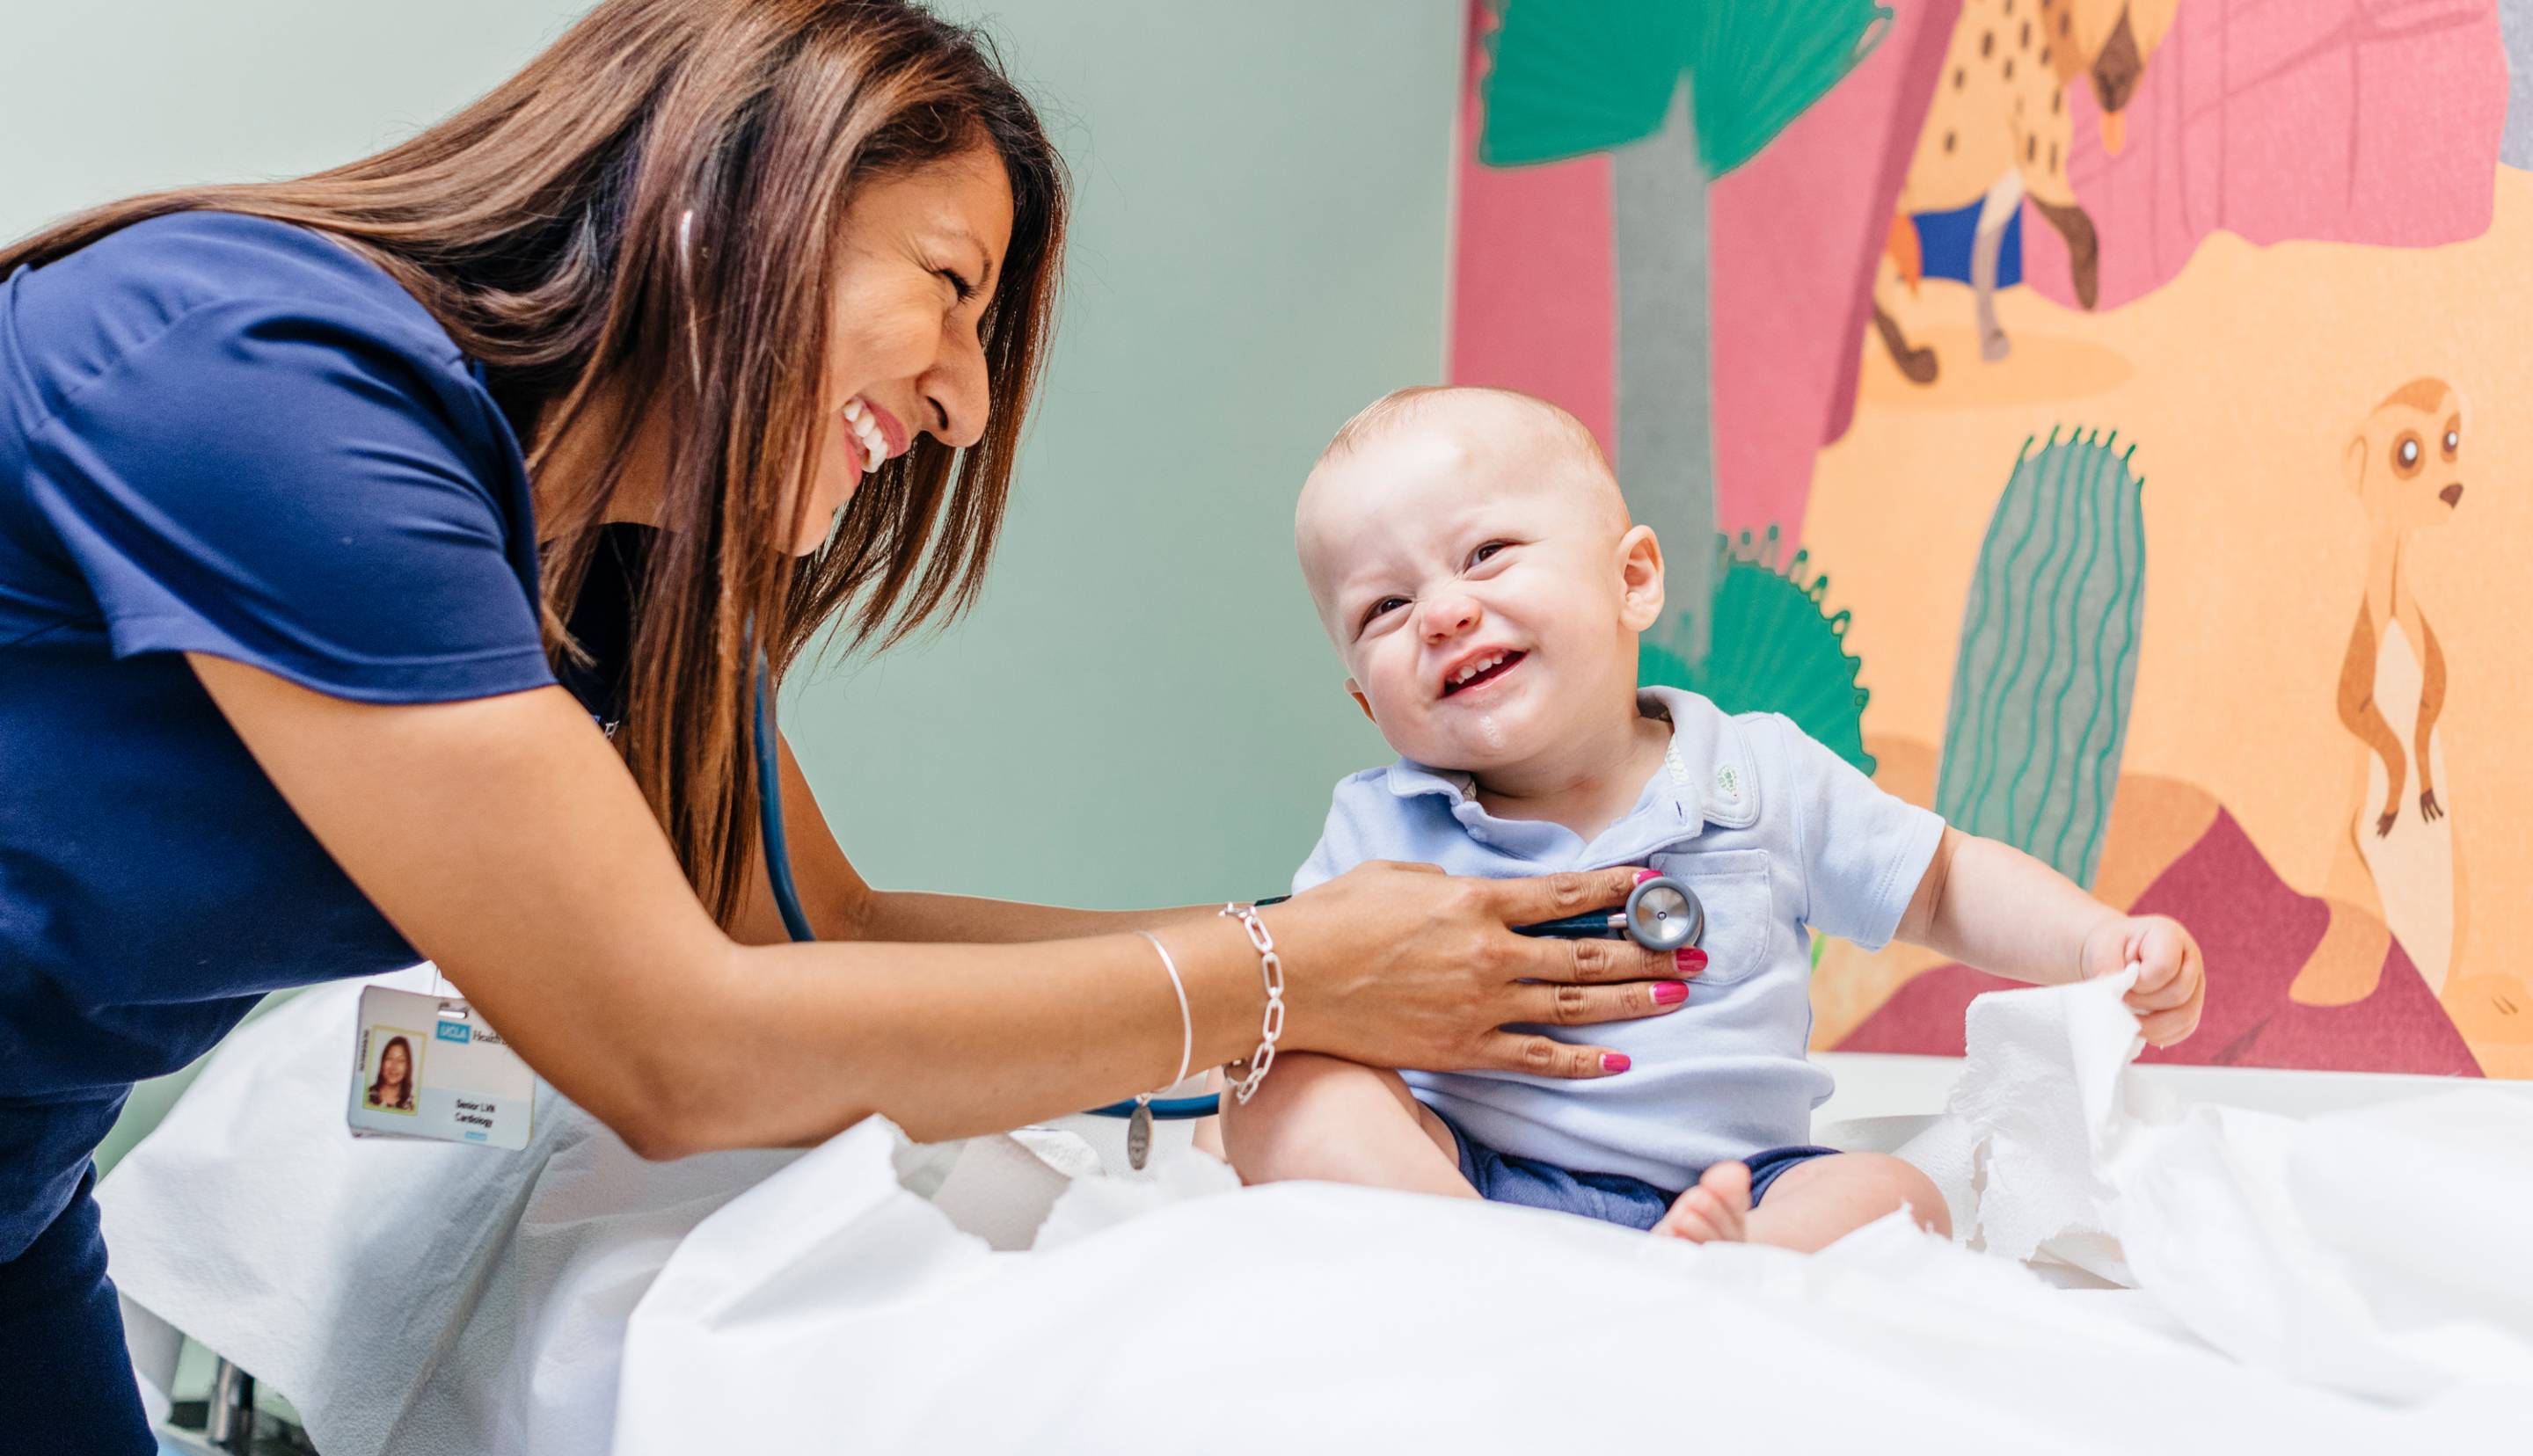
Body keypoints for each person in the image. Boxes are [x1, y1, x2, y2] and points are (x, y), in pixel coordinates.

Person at [0, 7, 1690, 1447]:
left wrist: (1330, 956)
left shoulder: (605, 581)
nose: (961, 399)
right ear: (730, 200)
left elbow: (825, 928)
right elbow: (676, 1048)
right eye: (950, 286)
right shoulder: (258, 370)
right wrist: (1285, 978)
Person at [1222, 386, 2208, 1248]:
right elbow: (1294, 999)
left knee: (1898, 1196)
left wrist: (2093, 941)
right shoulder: (1376, 829)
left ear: (1633, 580)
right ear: (1364, 699)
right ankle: (1476, 1263)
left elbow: (1944, 882)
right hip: (1468, 1179)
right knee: (1277, 1092)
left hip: (1742, 1187)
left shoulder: (1761, 773)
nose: (1441, 613)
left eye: (1484, 554)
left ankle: (1726, 1279)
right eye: (1383, 611)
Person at [367, 1037, 417, 1113]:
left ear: (407, 1067)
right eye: (389, 1058)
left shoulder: (412, 1106)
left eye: (401, 1060)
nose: (394, 1066)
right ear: (382, 1063)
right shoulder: (365, 1096)